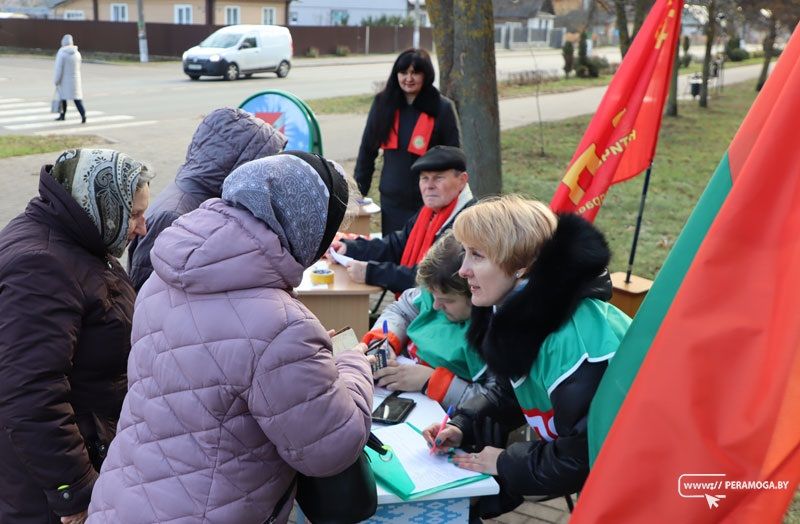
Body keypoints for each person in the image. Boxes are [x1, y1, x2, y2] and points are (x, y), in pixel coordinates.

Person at [87, 152, 374, 524]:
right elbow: (330, 448)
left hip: (121, 499)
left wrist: (305, 363)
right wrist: (351, 364)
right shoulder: (283, 327)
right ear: (307, 230)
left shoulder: (166, 277)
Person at [423, 196, 630, 512]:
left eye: (477, 255)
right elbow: (512, 389)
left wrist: (505, 462)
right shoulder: (526, 309)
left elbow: (581, 457)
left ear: (522, 267)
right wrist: (464, 423)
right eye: (465, 253)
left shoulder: (575, 338)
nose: (462, 270)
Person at [0, 149, 154, 524]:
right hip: (45, 491)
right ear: (101, 203)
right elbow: (30, 391)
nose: (142, 227)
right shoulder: (42, 265)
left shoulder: (77, 238)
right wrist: (73, 489)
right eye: (134, 214)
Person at [127, 107, 287, 290]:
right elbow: (144, 290)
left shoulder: (197, 193)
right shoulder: (173, 216)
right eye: (259, 162)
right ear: (236, 161)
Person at [335, 145, 474, 294]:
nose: (429, 186)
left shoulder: (467, 223)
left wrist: (370, 272)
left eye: (438, 178)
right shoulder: (429, 212)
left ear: (462, 180)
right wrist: (350, 248)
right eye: (424, 178)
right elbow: (395, 245)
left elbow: (431, 277)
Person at [355, 48, 461, 235]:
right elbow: (367, 150)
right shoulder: (383, 103)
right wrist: (358, 191)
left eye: (415, 73)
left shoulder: (442, 107)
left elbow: (454, 156)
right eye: (403, 72)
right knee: (394, 253)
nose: (408, 78)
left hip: (429, 200)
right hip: (392, 199)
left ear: (426, 75)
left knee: (423, 258)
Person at [54, 34, 86, 124]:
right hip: (75, 80)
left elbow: (58, 68)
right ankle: (83, 115)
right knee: (77, 99)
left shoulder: (62, 53)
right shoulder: (77, 53)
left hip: (64, 80)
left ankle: (62, 115)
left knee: (63, 98)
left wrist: (56, 80)